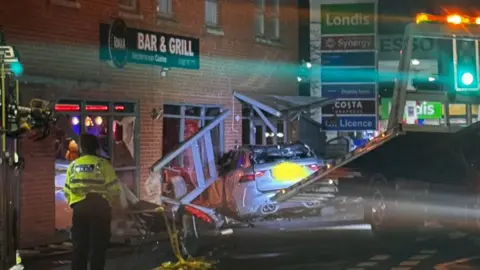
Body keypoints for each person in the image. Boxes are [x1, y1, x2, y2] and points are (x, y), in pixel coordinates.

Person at [63, 133, 121, 270]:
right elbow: (114, 190)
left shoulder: (73, 165)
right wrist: (109, 203)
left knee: (79, 246)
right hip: (100, 209)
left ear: (82, 148)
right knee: (98, 247)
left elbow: (67, 190)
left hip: (80, 209)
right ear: (97, 148)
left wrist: (75, 203)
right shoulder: (103, 164)